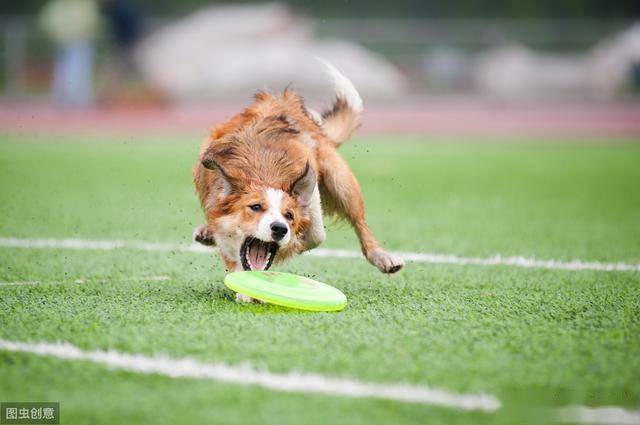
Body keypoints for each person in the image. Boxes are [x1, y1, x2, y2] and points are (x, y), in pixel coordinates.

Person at [38, 0, 100, 106]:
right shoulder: (60, 5)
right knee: (67, 70)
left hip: (82, 41)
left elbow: (92, 21)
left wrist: (85, 31)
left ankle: (79, 99)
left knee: (79, 70)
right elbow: (48, 21)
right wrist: (61, 34)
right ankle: (67, 99)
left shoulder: (85, 4)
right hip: (64, 41)